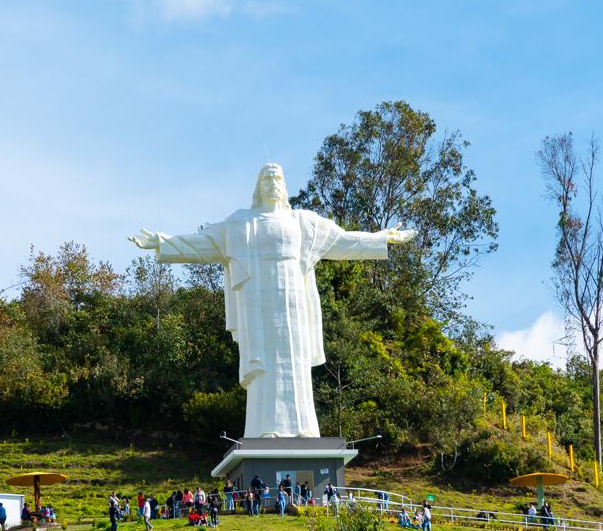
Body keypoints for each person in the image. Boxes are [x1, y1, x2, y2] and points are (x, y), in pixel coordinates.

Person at [129, 163, 415, 440]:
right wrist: (162, 242)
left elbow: (343, 241)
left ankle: (303, 428)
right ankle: (266, 428)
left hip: (293, 297)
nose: (273, 183)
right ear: (258, 186)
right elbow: (202, 243)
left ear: (285, 185)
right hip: (258, 301)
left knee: (295, 360)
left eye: (277, 177)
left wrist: (381, 238)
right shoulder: (241, 223)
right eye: (267, 178)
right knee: (265, 364)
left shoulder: (303, 222)